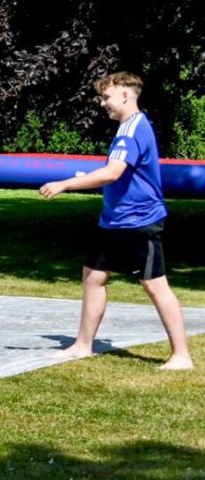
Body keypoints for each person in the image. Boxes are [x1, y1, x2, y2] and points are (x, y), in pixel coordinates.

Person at [38, 73, 192, 370]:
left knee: (155, 285)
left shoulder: (131, 129)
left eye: (106, 97)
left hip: (139, 221)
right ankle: (83, 346)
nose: (102, 103)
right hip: (114, 221)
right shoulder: (129, 126)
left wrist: (64, 184)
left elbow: (112, 173)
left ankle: (182, 356)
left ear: (125, 95)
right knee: (93, 275)